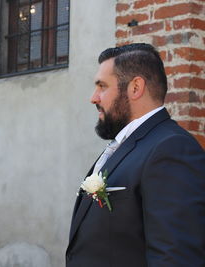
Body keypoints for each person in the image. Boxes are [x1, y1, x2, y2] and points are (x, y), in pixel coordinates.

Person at [65, 43, 205, 267]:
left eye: (102, 86)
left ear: (135, 87)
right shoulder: (126, 145)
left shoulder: (171, 149)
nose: (94, 97)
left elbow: (175, 258)